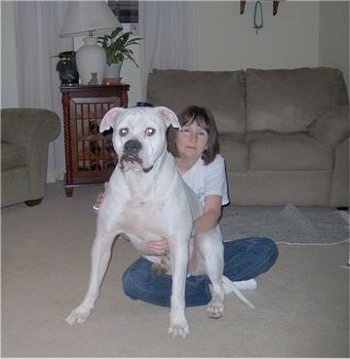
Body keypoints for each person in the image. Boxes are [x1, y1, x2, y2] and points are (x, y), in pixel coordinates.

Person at [94, 105, 278, 307]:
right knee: (132, 282)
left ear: (209, 142)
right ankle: (211, 287)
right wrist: (109, 205)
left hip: (197, 239)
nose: (193, 138)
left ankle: (201, 282)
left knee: (265, 249)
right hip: (162, 256)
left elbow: (213, 214)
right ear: (172, 135)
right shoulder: (154, 161)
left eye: (201, 133)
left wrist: (182, 236)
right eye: (186, 131)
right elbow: (130, 224)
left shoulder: (214, 164)